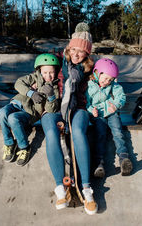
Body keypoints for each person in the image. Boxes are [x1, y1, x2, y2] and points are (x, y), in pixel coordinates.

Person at [41, 22, 98, 215]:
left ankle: (87, 189)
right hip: (53, 107)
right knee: (50, 131)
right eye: (74, 49)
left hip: (78, 107)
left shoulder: (89, 69)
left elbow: (105, 86)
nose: (76, 54)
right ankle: (60, 187)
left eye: (81, 52)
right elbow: (40, 74)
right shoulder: (57, 61)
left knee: (79, 132)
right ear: (69, 47)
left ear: (87, 54)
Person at [0, 53, 60, 166]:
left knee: (13, 118)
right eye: (45, 72)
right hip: (16, 103)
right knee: (2, 112)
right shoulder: (33, 77)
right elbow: (18, 83)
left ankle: (24, 147)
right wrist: (31, 93)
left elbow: (51, 109)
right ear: (39, 70)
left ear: (56, 72)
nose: (48, 75)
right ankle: (9, 143)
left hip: (29, 112)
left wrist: (50, 96)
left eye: (51, 72)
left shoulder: (53, 88)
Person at [86, 58, 133, 177]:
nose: (107, 82)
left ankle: (123, 157)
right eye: (105, 78)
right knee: (100, 135)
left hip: (112, 113)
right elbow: (86, 102)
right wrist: (92, 110)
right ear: (97, 73)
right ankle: (99, 163)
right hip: (98, 116)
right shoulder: (89, 86)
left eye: (110, 80)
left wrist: (116, 105)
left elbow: (121, 97)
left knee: (117, 132)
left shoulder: (114, 85)